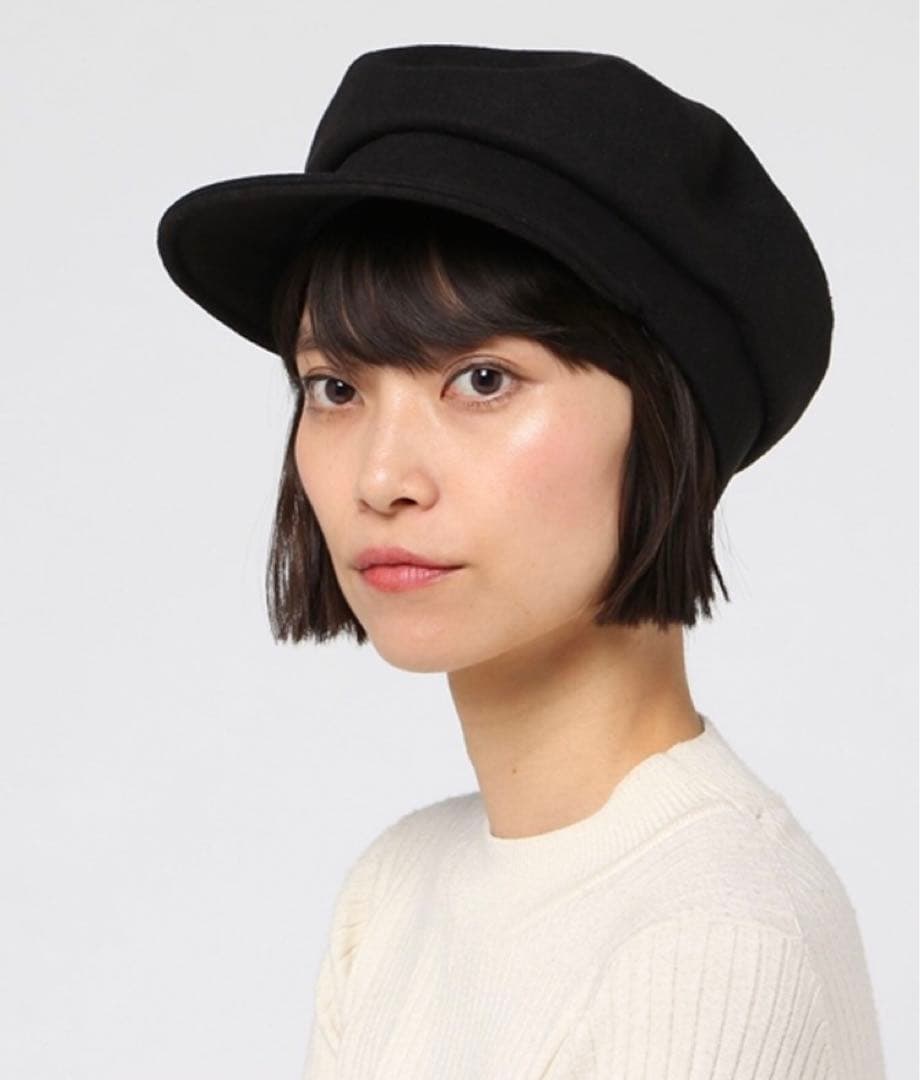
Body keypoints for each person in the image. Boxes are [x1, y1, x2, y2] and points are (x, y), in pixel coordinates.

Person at [157, 44, 886, 1080]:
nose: (382, 478)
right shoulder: (395, 890)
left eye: (483, 379)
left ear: (665, 422)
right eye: (334, 388)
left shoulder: (712, 939)